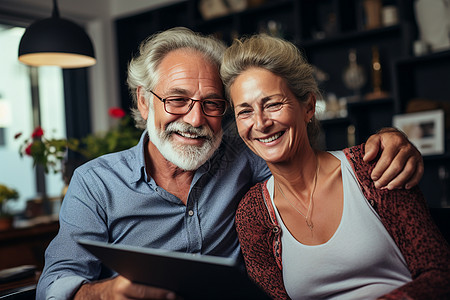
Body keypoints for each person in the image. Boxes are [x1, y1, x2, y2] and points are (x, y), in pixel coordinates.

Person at [37, 27, 424, 300]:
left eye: (211, 103)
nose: (194, 119)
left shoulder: (246, 156)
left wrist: (389, 138)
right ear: (142, 101)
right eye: (176, 100)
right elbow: (54, 282)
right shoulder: (96, 183)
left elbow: (307, 159)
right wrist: (104, 294)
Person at [220, 34, 450, 300]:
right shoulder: (253, 212)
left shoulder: (373, 168)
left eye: (272, 104)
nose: (260, 123)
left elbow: (441, 274)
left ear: (308, 107)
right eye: (245, 111)